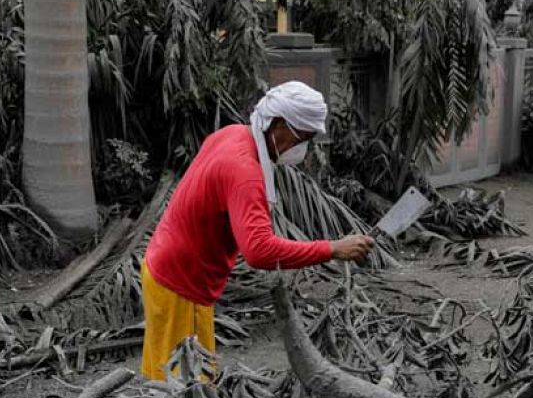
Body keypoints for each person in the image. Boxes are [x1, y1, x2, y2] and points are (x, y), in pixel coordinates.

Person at [139, 82, 374, 379]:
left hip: (167, 267)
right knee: (185, 388)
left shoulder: (233, 134)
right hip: (181, 284)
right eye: (302, 138)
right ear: (278, 124)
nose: (303, 148)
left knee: (176, 375)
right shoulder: (244, 171)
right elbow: (258, 250)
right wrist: (332, 249)